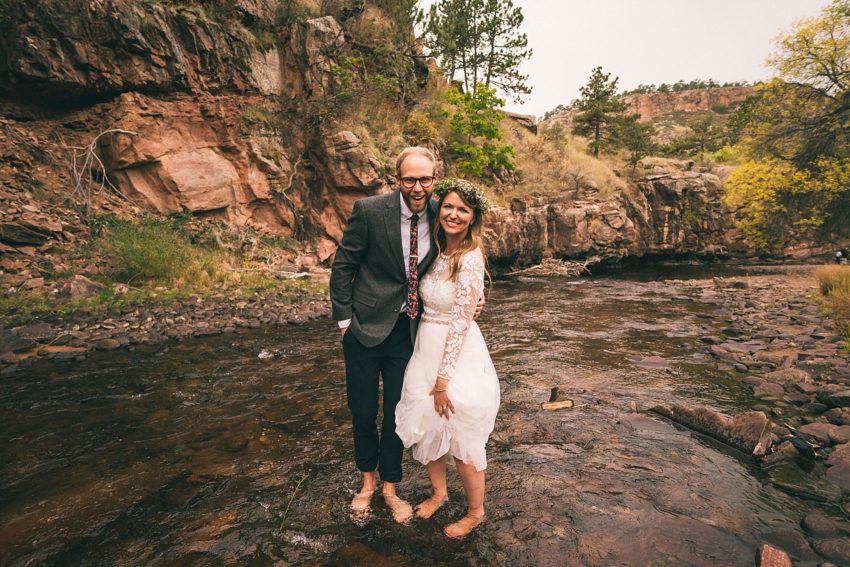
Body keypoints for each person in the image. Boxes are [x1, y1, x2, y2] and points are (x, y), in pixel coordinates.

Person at [330, 146, 440, 523]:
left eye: (424, 179)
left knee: (398, 415)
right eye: (410, 179)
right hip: (363, 329)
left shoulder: (443, 213)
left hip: (409, 334)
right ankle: (367, 483)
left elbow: (458, 262)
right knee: (362, 412)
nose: (417, 186)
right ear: (398, 180)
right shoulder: (370, 210)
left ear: (434, 179)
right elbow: (343, 266)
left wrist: (475, 299)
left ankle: (391, 488)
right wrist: (345, 322)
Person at [395, 178, 500, 539]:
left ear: (473, 218)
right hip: (426, 344)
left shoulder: (470, 258)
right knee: (428, 424)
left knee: (461, 432)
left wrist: (442, 381)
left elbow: (459, 323)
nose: (454, 214)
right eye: (450, 207)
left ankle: (475, 512)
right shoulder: (436, 250)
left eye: (464, 210)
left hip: (456, 353)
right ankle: (440, 493)